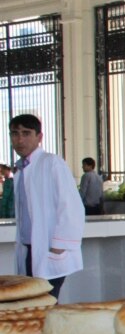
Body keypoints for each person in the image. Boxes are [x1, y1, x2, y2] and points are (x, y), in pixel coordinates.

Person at [10, 114, 85, 299]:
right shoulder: (21, 169)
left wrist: (58, 247)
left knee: (45, 305)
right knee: (31, 306)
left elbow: (72, 207)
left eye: (26, 133)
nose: (20, 139)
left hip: (48, 250)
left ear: (39, 137)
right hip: (28, 249)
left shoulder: (52, 163)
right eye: (15, 133)